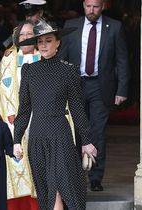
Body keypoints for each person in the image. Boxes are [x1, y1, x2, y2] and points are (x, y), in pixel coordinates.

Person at [13, 20, 97, 210]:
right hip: (37, 136)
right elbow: (24, 109)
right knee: (45, 191)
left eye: (48, 40)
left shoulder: (68, 70)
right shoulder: (29, 71)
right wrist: (17, 139)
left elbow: (77, 107)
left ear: (58, 42)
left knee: (60, 187)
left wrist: (86, 140)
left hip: (60, 135)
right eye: (40, 41)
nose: (43, 45)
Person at [59, 0, 130, 191]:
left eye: (96, 6)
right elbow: (62, 58)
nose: (92, 10)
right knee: (74, 131)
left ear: (103, 6)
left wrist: (122, 90)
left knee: (97, 132)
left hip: (101, 86)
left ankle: (96, 177)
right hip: (75, 85)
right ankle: (74, 177)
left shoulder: (114, 27)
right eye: (88, 6)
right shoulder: (71, 26)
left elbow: (122, 60)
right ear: (83, 5)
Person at [0, 20, 40, 210]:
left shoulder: (44, 59)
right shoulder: (8, 59)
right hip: (12, 124)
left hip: (38, 123)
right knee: (15, 169)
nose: (26, 38)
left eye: (30, 34)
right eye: (22, 35)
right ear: (16, 39)